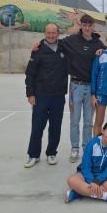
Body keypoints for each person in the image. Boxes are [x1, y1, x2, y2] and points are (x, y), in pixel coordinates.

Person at [63, 14, 106, 163]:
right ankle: (75, 148)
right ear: (81, 25)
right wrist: (39, 45)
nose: (87, 28)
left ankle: (87, 147)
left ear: (93, 27)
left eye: (90, 25)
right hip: (75, 86)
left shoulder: (99, 44)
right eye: (84, 25)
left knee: (88, 121)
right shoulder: (71, 40)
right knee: (74, 119)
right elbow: (54, 42)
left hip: (91, 88)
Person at [24, 23, 67, 168]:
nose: (51, 35)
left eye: (53, 32)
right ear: (45, 33)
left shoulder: (64, 48)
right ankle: (33, 155)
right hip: (41, 95)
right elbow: (30, 74)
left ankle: (51, 153)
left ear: (58, 33)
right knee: (37, 127)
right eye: (48, 32)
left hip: (58, 96)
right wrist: (30, 94)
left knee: (55, 127)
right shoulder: (37, 50)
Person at [64, 121, 107, 206]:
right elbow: (85, 166)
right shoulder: (92, 143)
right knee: (71, 180)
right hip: (87, 174)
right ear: (103, 131)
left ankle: (79, 192)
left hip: (104, 177)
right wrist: (92, 182)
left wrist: (97, 181)